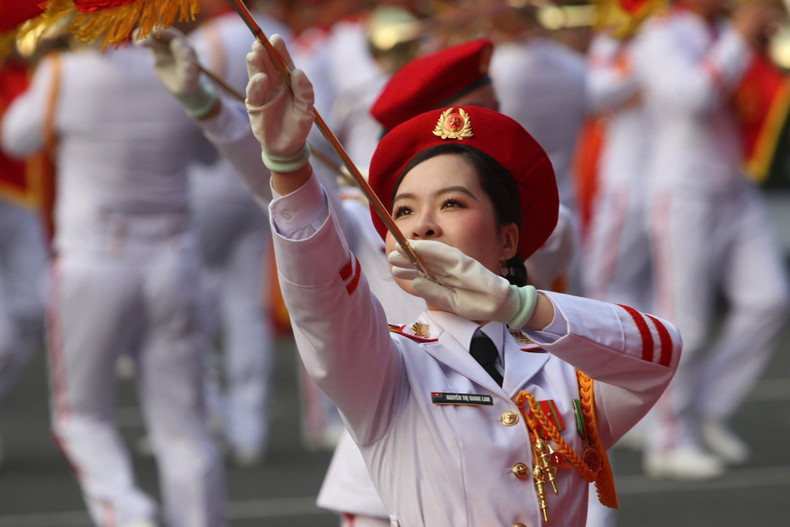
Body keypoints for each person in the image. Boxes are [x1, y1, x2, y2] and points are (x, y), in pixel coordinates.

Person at [244, 35, 681, 526]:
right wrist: (289, 167)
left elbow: (659, 353)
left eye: (451, 203)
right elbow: (322, 299)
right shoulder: (388, 367)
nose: (422, 225)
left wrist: (519, 306)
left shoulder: (562, 367)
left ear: (508, 239)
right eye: (403, 210)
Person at [1, 43, 226, 527]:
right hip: (173, 257)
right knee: (185, 425)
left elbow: (16, 137)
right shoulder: (179, 65)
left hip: (96, 260)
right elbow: (211, 153)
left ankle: (128, 515)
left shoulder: (64, 71)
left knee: (80, 416)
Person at [632, 0, 789, 479]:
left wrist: (760, 39)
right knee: (687, 321)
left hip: (734, 187)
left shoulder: (725, 31)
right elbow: (691, 97)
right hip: (684, 190)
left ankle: (707, 408)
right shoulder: (659, 35)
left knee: (769, 300)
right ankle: (669, 439)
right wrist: (740, 36)